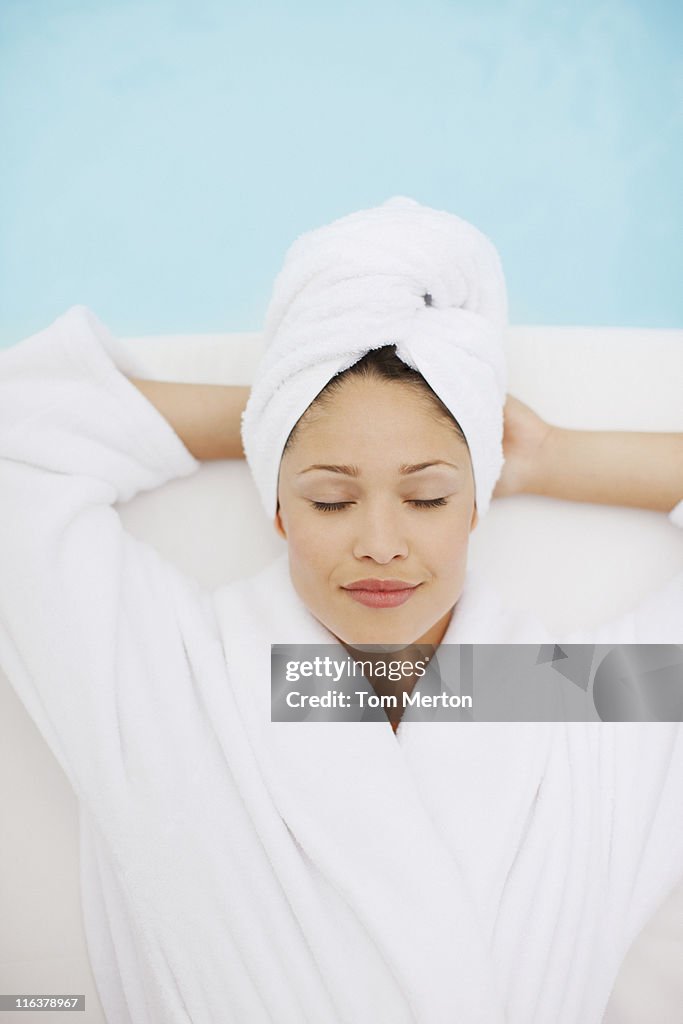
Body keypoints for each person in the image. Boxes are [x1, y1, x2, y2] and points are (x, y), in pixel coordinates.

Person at [0, 199, 682, 1023]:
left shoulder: (580, 702)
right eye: (329, 499)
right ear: (276, 508)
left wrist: (547, 456)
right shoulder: (171, 684)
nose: (381, 544)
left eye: (428, 495)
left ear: (478, 504)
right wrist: (289, 413)